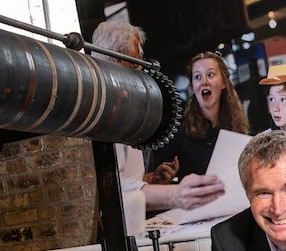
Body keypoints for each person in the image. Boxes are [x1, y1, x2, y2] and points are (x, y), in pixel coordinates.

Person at [89, 22, 226, 232]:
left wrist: (149, 179)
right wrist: (176, 195)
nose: (142, 69)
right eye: (136, 63)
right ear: (116, 59)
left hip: (135, 223)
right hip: (113, 229)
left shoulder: (124, 108)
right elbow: (112, 186)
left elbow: (125, 177)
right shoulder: (103, 111)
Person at [148, 51, 251, 192]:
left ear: (224, 83)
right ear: (192, 86)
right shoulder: (178, 132)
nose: (204, 82)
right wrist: (163, 178)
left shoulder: (238, 130)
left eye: (210, 75)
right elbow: (159, 181)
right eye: (197, 77)